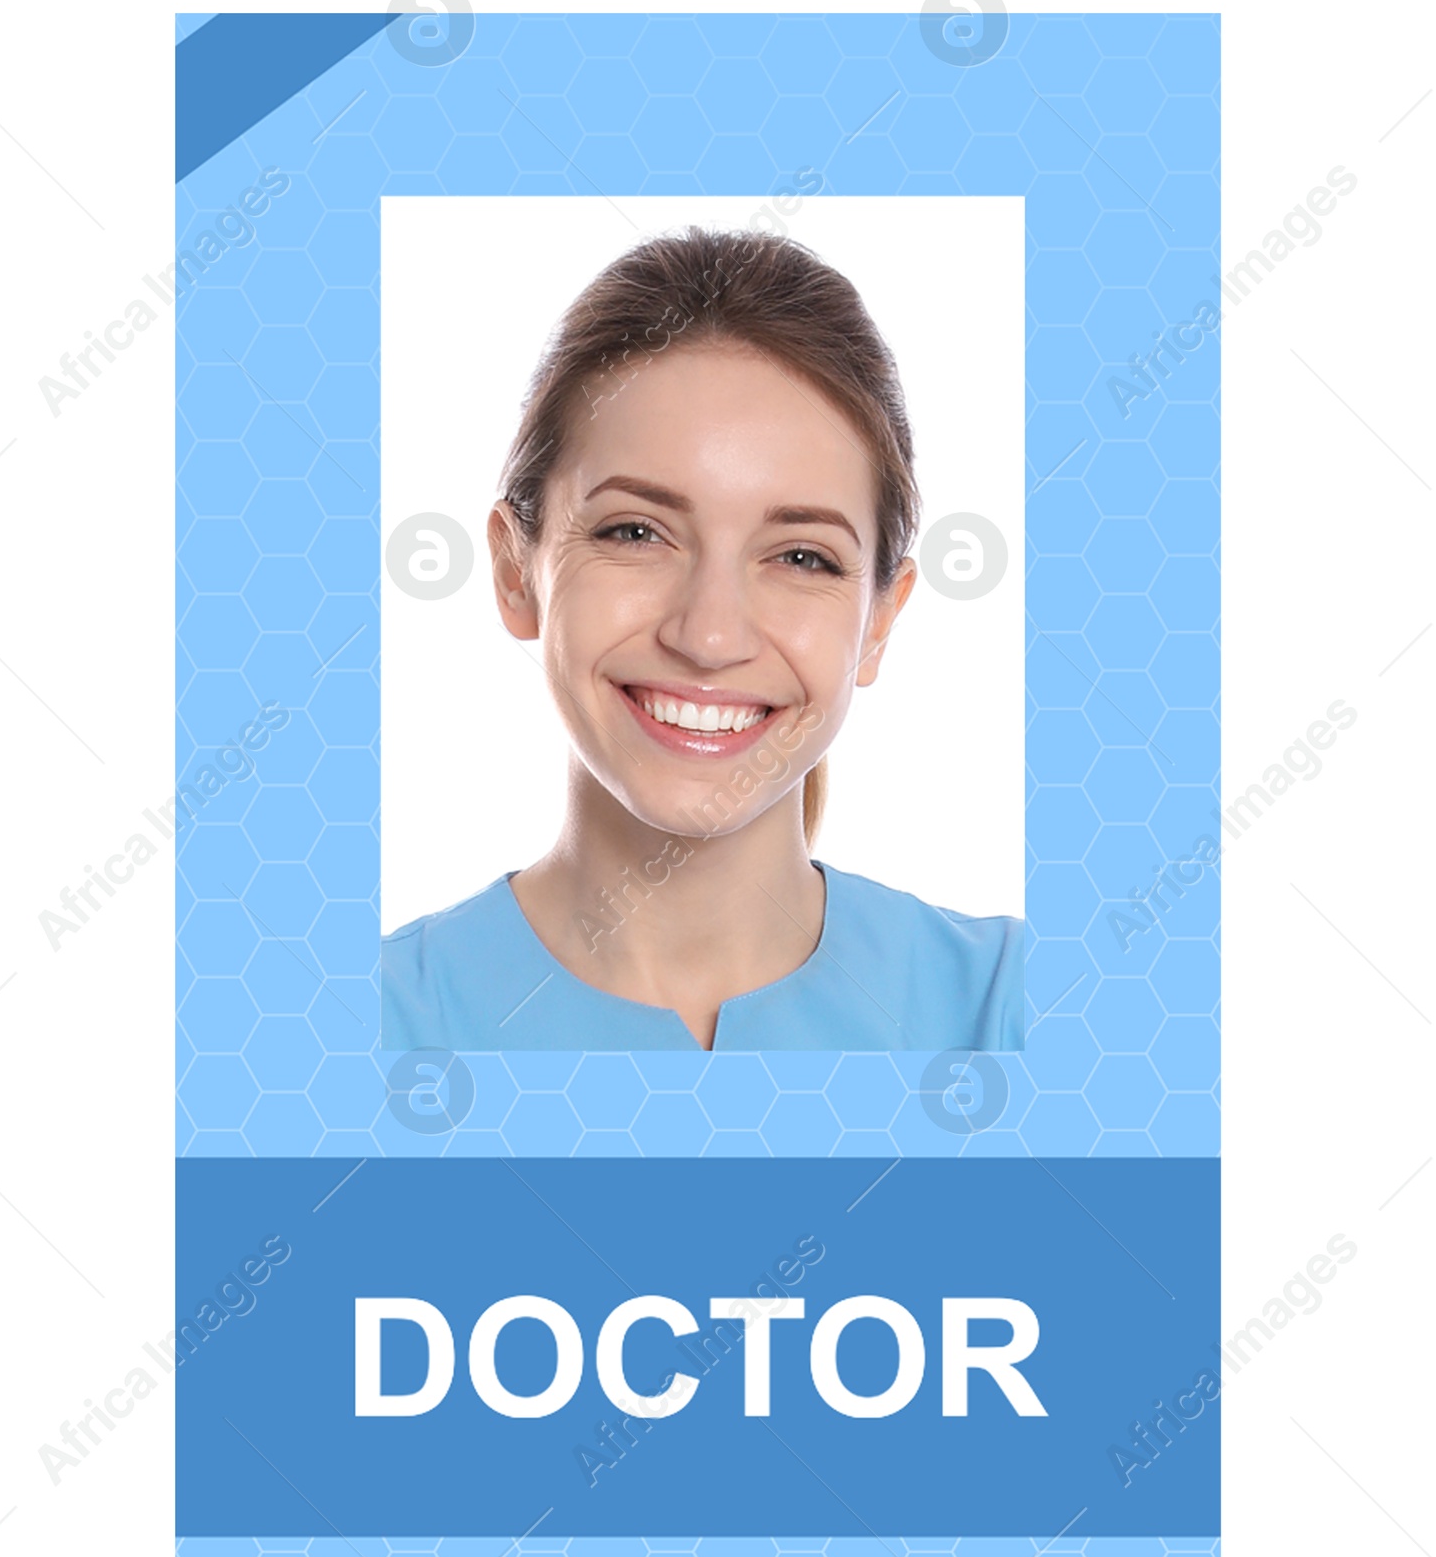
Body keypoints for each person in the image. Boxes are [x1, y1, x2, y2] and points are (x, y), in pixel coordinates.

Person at [383, 226, 1023, 1051]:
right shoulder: (359, 1027)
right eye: (635, 533)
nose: (710, 635)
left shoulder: (1016, 1008)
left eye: (802, 556)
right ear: (516, 572)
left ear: (879, 622)